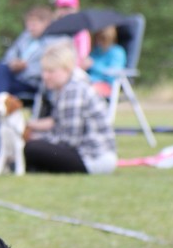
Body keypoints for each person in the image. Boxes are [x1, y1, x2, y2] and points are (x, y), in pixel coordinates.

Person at [24, 39, 117, 174]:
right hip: (88, 154)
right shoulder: (66, 87)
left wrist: (39, 138)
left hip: (94, 158)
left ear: (67, 70)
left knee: (32, 148)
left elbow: (70, 140)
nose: (45, 76)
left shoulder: (73, 91)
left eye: (51, 71)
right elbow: (59, 125)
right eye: (44, 71)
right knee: (34, 148)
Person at [0, 6, 54, 101]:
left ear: (46, 24)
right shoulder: (25, 37)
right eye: (29, 23)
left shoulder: (52, 42)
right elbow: (10, 54)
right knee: (0, 66)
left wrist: (24, 68)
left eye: (35, 23)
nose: (31, 27)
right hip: (13, 76)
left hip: (30, 83)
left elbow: (48, 67)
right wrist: (13, 63)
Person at [86, 25, 127, 98]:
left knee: (86, 90)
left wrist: (93, 64)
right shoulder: (96, 51)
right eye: (97, 37)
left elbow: (113, 73)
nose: (99, 41)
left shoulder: (117, 52)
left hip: (107, 85)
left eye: (102, 38)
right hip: (89, 81)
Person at [53, 0, 90, 70]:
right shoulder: (53, 28)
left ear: (76, 8)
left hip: (72, 70)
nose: (65, 11)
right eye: (62, 8)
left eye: (68, 8)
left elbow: (82, 57)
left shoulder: (80, 31)